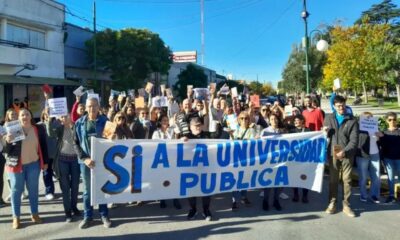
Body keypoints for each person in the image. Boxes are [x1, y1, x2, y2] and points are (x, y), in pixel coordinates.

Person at [3, 108, 49, 229]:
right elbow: (6, 151)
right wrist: (8, 141)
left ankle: (34, 214)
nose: (24, 117)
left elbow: (43, 145)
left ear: (31, 116)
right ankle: (16, 217)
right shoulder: (13, 130)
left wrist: (46, 162)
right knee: (16, 191)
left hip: (33, 164)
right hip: (17, 165)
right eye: (22, 115)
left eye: (27, 114)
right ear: (18, 118)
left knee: (33, 191)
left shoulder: (38, 129)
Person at [73, 97, 112, 229]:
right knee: (87, 191)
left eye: (94, 106)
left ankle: (104, 215)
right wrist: (85, 158)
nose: (92, 108)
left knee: (102, 188)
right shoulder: (79, 123)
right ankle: (88, 216)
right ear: (86, 107)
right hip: (86, 162)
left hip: (102, 161)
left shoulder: (105, 121)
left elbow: (110, 141)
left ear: (99, 106)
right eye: (89, 106)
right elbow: (76, 143)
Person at [323, 95, 359, 217]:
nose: (341, 108)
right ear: (334, 106)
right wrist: (324, 132)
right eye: (338, 106)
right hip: (332, 154)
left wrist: (345, 151)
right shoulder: (329, 118)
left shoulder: (352, 120)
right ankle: (332, 203)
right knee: (333, 180)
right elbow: (325, 137)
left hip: (347, 155)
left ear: (345, 104)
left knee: (347, 180)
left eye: (343, 105)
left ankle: (346, 205)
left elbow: (354, 140)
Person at [50, 114, 81, 222]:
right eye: (61, 117)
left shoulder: (76, 126)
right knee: (65, 187)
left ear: (70, 117)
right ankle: (67, 212)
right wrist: (49, 119)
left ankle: (74, 207)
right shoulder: (59, 128)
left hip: (75, 160)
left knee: (75, 185)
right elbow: (50, 132)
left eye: (65, 116)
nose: (63, 119)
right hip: (62, 160)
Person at [182, 117, 212, 221]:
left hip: (205, 168)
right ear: (190, 127)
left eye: (199, 125)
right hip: (191, 169)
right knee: (191, 191)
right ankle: (193, 209)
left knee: (206, 191)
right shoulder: (187, 137)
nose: (198, 127)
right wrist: (182, 141)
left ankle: (206, 210)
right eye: (195, 125)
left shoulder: (207, 136)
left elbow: (220, 138)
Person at [152, 114, 182, 209]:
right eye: (163, 120)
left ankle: (175, 199)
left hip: (172, 159)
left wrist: (175, 123)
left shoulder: (172, 130)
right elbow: (154, 145)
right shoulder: (156, 133)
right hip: (161, 160)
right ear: (160, 122)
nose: (165, 122)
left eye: (167, 120)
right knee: (162, 179)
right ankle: (162, 199)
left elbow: (178, 134)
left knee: (174, 179)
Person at [259, 113, 286, 211]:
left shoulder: (282, 131)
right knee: (268, 183)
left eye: (275, 119)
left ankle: (276, 201)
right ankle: (265, 201)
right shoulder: (265, 132)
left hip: (280, 160)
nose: (274, 121)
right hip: (269, 160)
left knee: (278, 182)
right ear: (269, 121)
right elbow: (260, 145)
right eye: (272, 119)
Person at [230, 111, 254, 211]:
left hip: (248, 159)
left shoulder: (252, 131)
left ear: (249, 120)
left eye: (246, 118)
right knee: (235, 180)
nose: (244, 120)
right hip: (236, 159)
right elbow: (230, 145)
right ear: (239, 120)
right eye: (242, 118)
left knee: (245, 179)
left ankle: (244, 196)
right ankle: (234, 200)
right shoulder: (235, 131)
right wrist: (231, 137)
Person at [356, 112, 381, 203]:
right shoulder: (358, 128)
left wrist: (380, 136)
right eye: (366, 118)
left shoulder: (376, 128)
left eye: (370, 117)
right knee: (363, 177)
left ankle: (374, 195)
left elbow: (379, 140)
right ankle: (363, 195)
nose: (368, 119)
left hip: (375, 153)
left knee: (376, 176)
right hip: (362, 154)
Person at [377, 112, 400, 203]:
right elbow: (382, 146)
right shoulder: (383, 133)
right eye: (390, 119)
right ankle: (391, 195)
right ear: (387, 120)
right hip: (388, 158)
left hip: (399, 158)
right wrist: (380, 138)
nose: (392, 121)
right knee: (390, 177)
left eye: (394, 119)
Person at [289, 115, 310, 203]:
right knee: (295, 177)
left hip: (305, 158)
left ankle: (305, 195)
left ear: (302, 121)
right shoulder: (291, 131)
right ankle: (296, 194)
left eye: (297, 120)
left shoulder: (308, 130)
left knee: (305, 177)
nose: (296, 122)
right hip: (294, 158)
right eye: (295, 121)